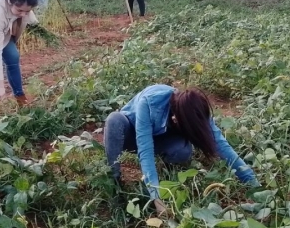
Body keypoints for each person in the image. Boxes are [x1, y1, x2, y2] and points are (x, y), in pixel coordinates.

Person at [104, 84, 261, 215]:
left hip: (161, 139)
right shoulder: (150, 103)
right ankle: (114, 181)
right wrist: (157, 200)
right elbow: (145, 151)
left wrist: (253, 183)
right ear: (175, 118)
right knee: (114, 120)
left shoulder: (194, 111)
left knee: (182, 150)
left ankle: (166, 170)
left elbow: (221, 144)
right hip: (132, 135)